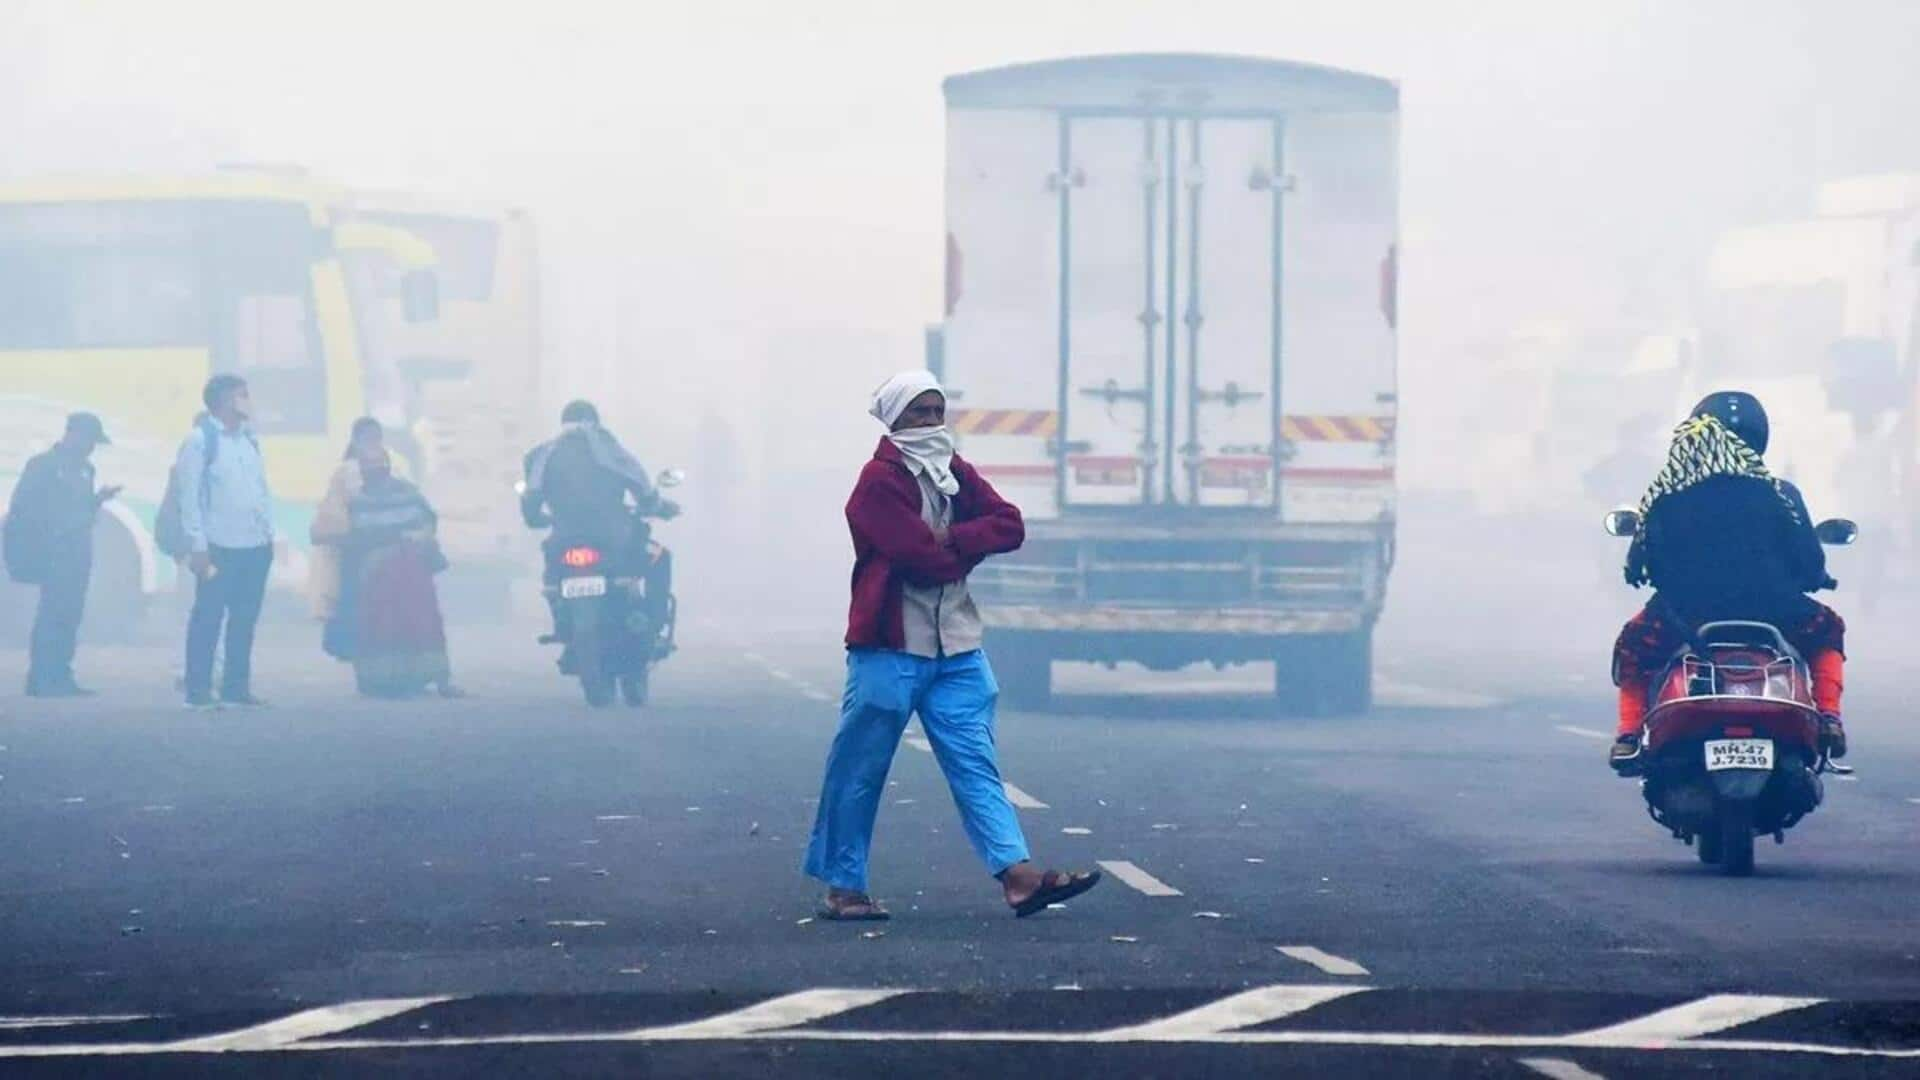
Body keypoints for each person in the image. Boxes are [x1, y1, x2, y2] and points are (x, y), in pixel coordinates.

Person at [803, 370, 1102, 920]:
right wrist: (960, 543)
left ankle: (1017, 876)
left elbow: (1009, 524)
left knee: (976, 762)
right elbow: (925, 558)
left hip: (958, 647)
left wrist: (954, 538)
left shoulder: (951, 471)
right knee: (860, 768)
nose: (931, 422)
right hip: (889, 647)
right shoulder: (877, 482)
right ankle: (843, 887)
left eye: (937, 411)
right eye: (919, 412)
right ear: (893, 419)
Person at [1610, 391, 1847, 767]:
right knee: (1828, 630)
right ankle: (1830, 718)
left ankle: (1628, 735)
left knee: (1633, 647)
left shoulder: (1668, 492)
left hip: (1684, 616)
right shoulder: (1779, 493)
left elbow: (1643, 563)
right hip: (1776, 610)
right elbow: (1807, 560)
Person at [521, 400, 676, 651]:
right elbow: (642, 488)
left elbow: (531, 498)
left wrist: (537, 518)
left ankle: (562, 622)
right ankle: (653, 627)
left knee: (552, 579)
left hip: (563, 540)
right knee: (660, 557)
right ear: (595, 422)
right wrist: (659, 506)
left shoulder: (544, 455)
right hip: (614, 538)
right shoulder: (608, 449)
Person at [176, 374, 275, 709]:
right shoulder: (200, 440)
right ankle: (198, 690)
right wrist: (198, 546)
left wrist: (268, 534)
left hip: (255, 545)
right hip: (218, 546)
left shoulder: (249, 439)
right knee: (208, 617)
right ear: (222, 400)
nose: (248, 400)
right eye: (242, 395)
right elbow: (188, 497)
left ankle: (236, 686)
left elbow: (258, 492)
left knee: (244, 619)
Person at [4, 413, 120, 696]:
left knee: (70, 615)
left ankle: (61, 674)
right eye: (89, 440)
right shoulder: (43, 465)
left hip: (77, 552)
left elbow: (81, 509)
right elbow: (23, 507)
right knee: (51, 614)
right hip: (52, 551)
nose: (91, 447)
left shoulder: (86, 469)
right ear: (73, 435)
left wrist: (98, 501)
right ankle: (41, 677)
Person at [332, 442, 460, 698]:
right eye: (370, 464)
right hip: (393, 571)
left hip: (398, 570)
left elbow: (424, 522)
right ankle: (407, 678)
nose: (374, 469)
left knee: (407, 623)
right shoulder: (372, 498)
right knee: (403, 623)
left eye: (376, 464)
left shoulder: (379, 497)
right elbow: (363, 535)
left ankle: (403, 678)